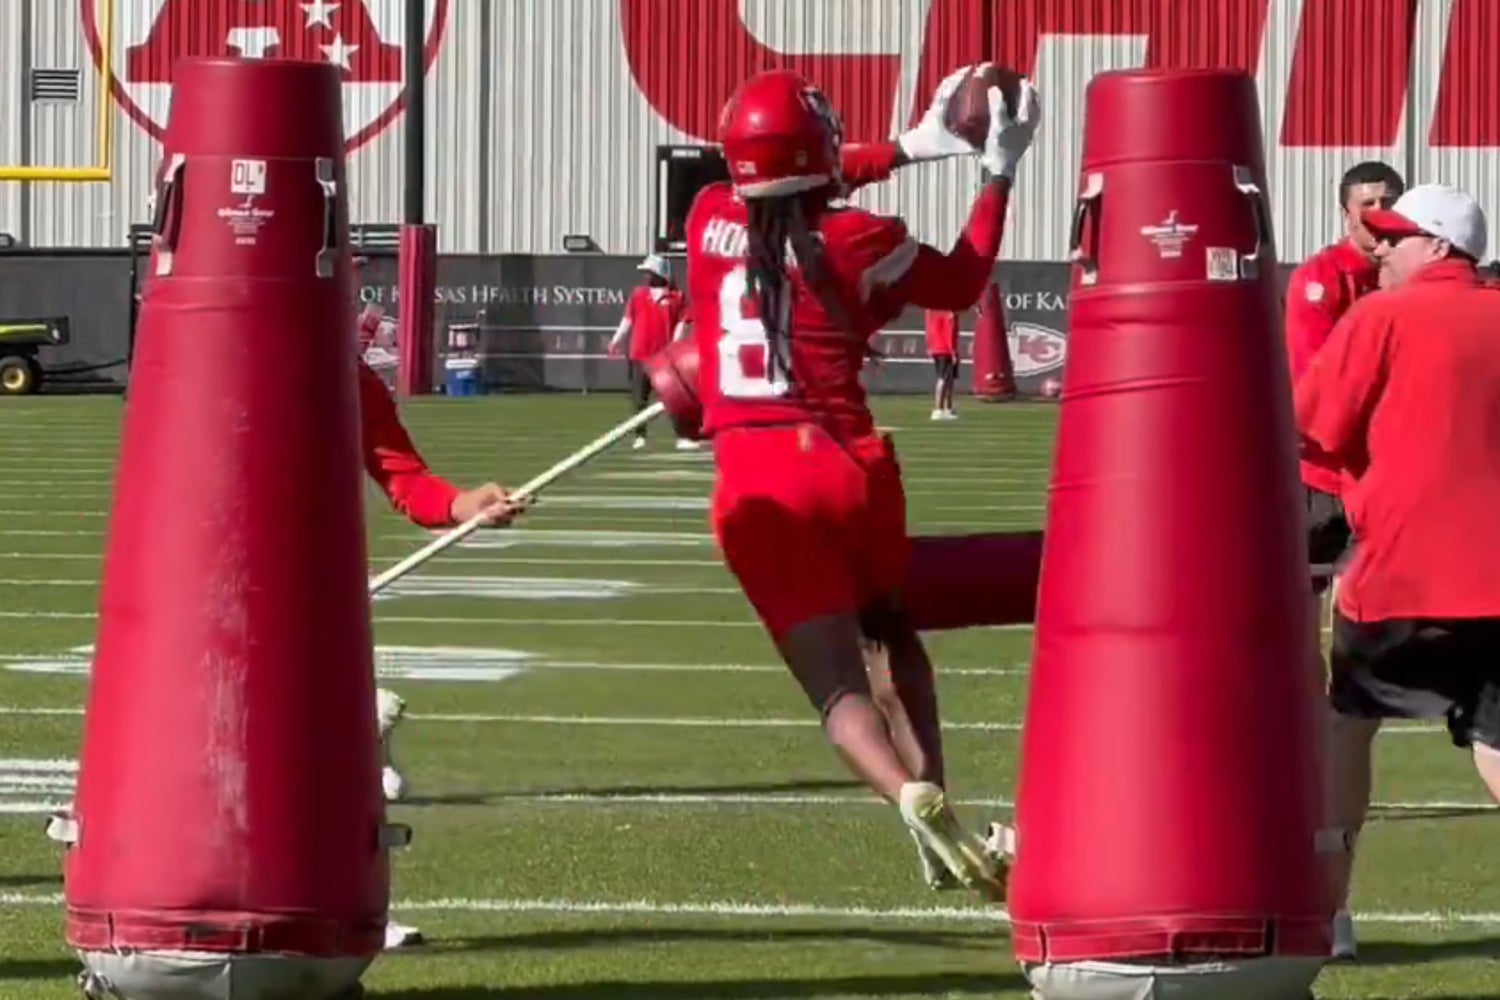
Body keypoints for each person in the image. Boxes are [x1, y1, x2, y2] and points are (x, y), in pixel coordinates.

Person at [685, 65, 1039, 898]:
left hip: (755, 478)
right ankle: (936, 792)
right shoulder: (859, 237)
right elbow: (961, 280)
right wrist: (996, 172)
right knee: (891, 638)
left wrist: (910, 149)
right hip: (848, 465)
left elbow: (784, 182)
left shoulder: (705, 217)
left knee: (837, 689)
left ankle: (903, 795)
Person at [1295, 183, 1500, 962]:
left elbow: (1313, 429)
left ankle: (1330, 914)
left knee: (1345, 725)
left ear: (1439, 248)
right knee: (1496, 740)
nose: (1380, 247)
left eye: (1397, 235)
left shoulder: (1380, 316)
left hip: (1402, 574)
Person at [1285, 161, 1404, 596]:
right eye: (1366, 203)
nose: (1377, 212)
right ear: (1346, 213)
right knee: (1299, 591)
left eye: (1387, 202)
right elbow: (1313, 379)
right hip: (1324, 473)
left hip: (1384, 472)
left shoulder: (1406, 277)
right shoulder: (1320, 279)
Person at [609, 254, 693, 449]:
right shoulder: (638, 294)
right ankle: (640, 436)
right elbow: (628, 320)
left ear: (659, 273)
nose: (646, 276)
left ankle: (682, 437)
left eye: (649, 272)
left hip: (664, 358)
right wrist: (616, 340)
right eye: (645, 272)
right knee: (639, 399)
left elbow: (681, 323)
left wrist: (675, 345)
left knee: (674, 398)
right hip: (639, 355)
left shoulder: (677, 296)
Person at [925, 309, 961, 420]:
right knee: (943, 378)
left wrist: (929, 345)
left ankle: (947, 409)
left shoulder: (931, 311)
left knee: (948, 379)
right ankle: (938, 409)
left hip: (938, 347)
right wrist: (953, 351)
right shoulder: (950, 313)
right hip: (944, 349)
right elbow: (950, 332)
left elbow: (929, 329)